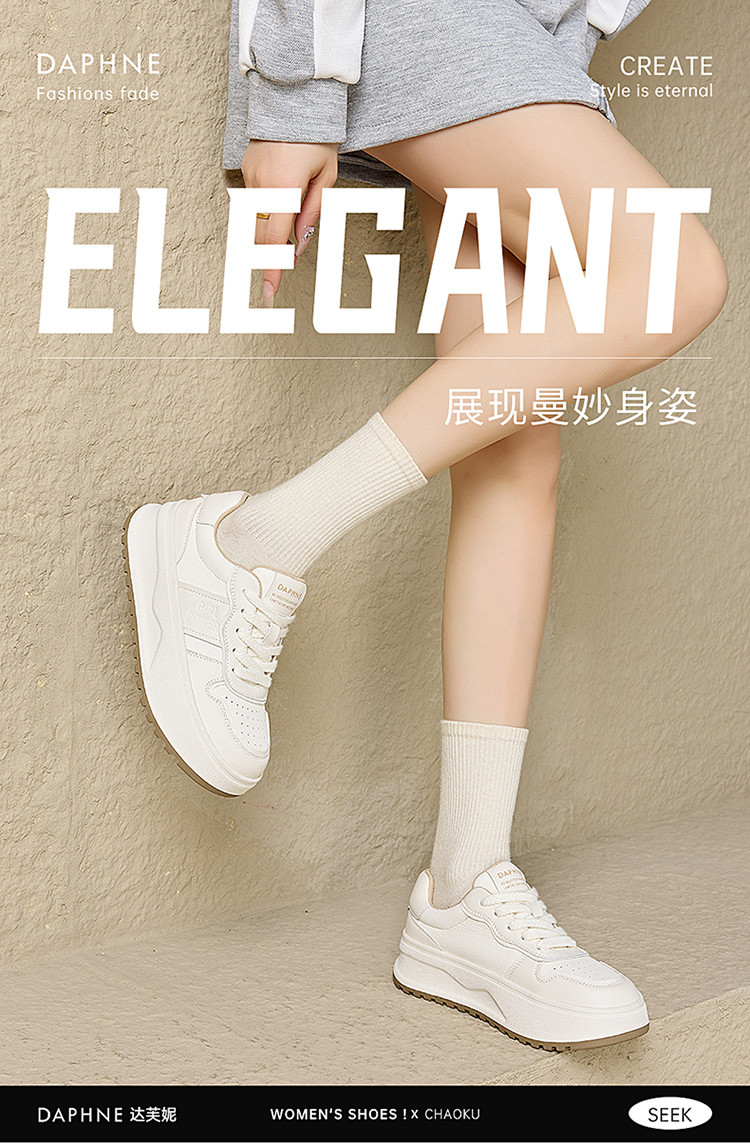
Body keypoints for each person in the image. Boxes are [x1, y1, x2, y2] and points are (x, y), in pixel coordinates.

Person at [124, 0, 727, 1051]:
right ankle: (251, 544)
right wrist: (293, 87)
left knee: (511, 446)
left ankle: (463, 888)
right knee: (669, 274)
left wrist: (565, 53)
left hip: (527, 47)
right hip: (428, 18)